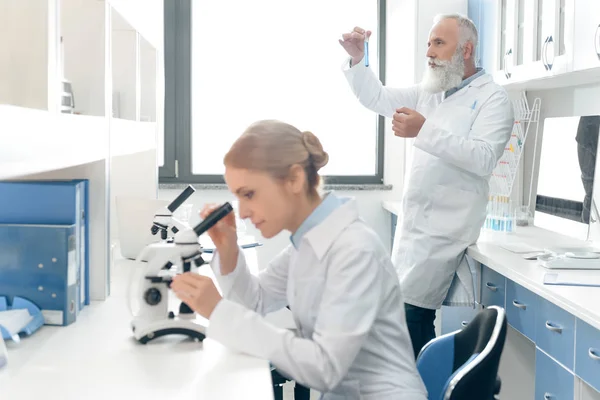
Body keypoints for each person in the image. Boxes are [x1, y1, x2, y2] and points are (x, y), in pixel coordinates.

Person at [170, 120, 428, 400]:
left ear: (294, 179)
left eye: (249, 194)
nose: (242, 212)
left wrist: (218, 310)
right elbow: (255, 301)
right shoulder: (307, 243)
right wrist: (229, 251)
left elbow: (324, 368)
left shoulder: (355, 250)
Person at [339, 14, 514, 358]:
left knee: (411, 321)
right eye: (429, 44)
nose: (429, 53)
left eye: (438, 43)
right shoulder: (429, 93)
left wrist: (424, 131)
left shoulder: (494, 99)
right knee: (403, 323)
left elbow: (483, 158)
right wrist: (359, 60)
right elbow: (377, 98)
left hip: (446, 232)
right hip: (415, 230)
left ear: (466, 49)